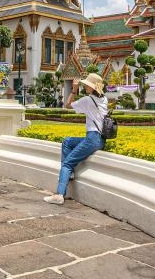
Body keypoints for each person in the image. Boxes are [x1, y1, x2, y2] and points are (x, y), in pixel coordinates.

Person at [43, 72, 108, 205]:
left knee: (66, 163)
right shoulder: (104, 99)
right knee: (67, 141)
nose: (85, 87)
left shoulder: (88, 100)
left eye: (87, 85)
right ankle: (70, 173)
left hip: (92, 139)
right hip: (100, 139)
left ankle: (59, 194)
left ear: (92, 88)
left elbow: (67, 105)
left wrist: (74, 89)